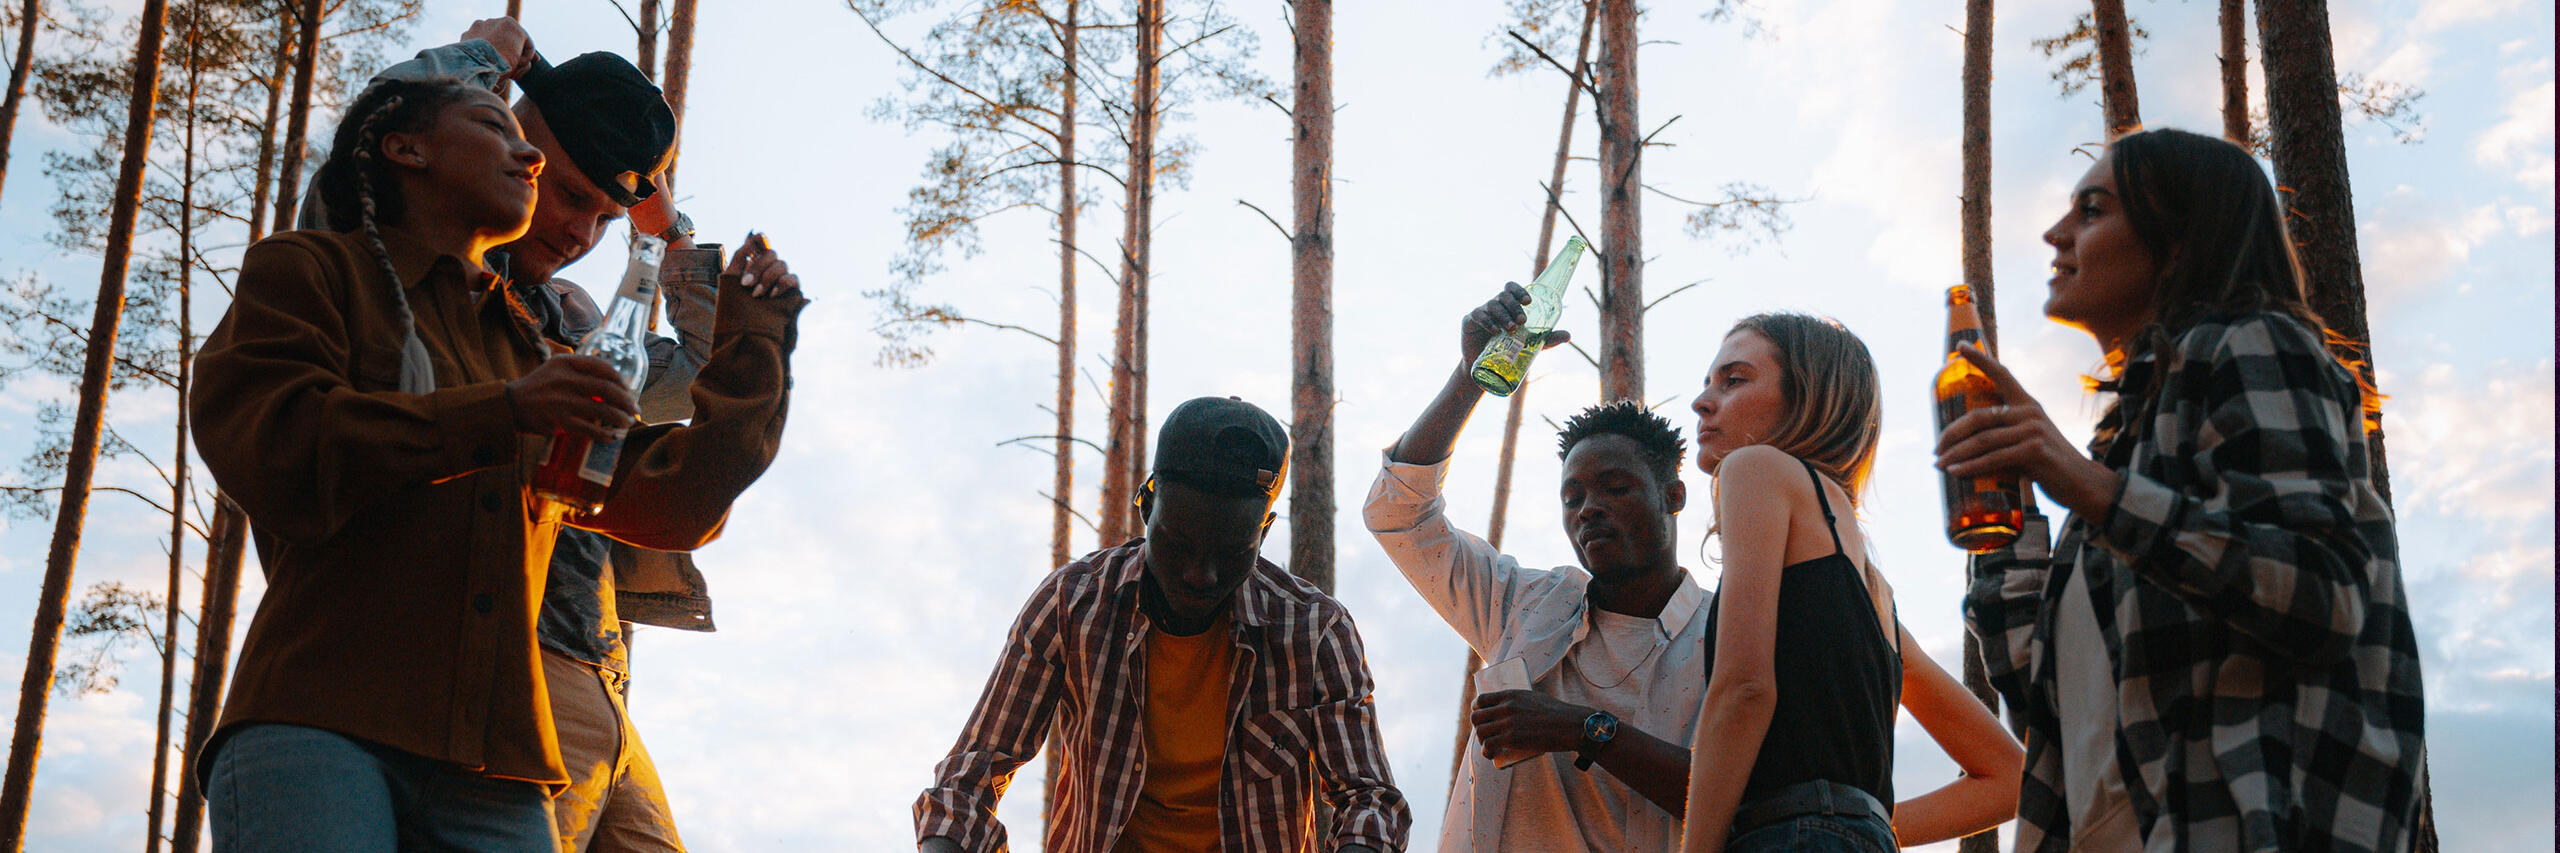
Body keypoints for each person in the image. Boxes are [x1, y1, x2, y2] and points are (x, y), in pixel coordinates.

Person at [189, 75, 805, 851]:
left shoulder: (541, 342)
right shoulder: (317, 267)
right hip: (326, 711)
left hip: (505, 757)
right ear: (406, 149)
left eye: (605, 216)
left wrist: (758, 341)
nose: (529, 159)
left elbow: (675, 502)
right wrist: (505, 412)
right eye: (497, 128)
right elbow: (273, 442)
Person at [1938, 128, 2425, 852]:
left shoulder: (2254, 343)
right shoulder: (2125, 455)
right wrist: (2011, 517)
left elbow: (2321, 593)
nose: (2055, 232)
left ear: (2180, 238)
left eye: (2093, 209)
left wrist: (2089, 487)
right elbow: (2053, 706)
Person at [916, 396, 1410, 853]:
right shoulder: (1072, 605)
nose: (1202, 574)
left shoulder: (1315, 631)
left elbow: (1370, 801)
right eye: (1178, 544)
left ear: (1264, 531)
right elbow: (966, 784)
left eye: (1232, 553)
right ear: (1147, 508)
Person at [1365, 285, 1704, 851]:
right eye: (1573, 497)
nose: (1589, 507)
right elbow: (1398, 514)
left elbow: (1750, 800)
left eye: (1615, 488)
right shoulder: (1523, 606)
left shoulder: (1727, 634)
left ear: (1673, 496)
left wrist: (1579, 729)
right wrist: (1469, 378)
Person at [1673, 313, 2022, 853]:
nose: (1702, 401)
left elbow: (1744, 689)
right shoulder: (1869, 584)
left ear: (1807, 398)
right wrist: (1856, 825)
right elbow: (2007, 777)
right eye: (1707, 382)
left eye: (1734, 380)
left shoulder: (1756, 469)